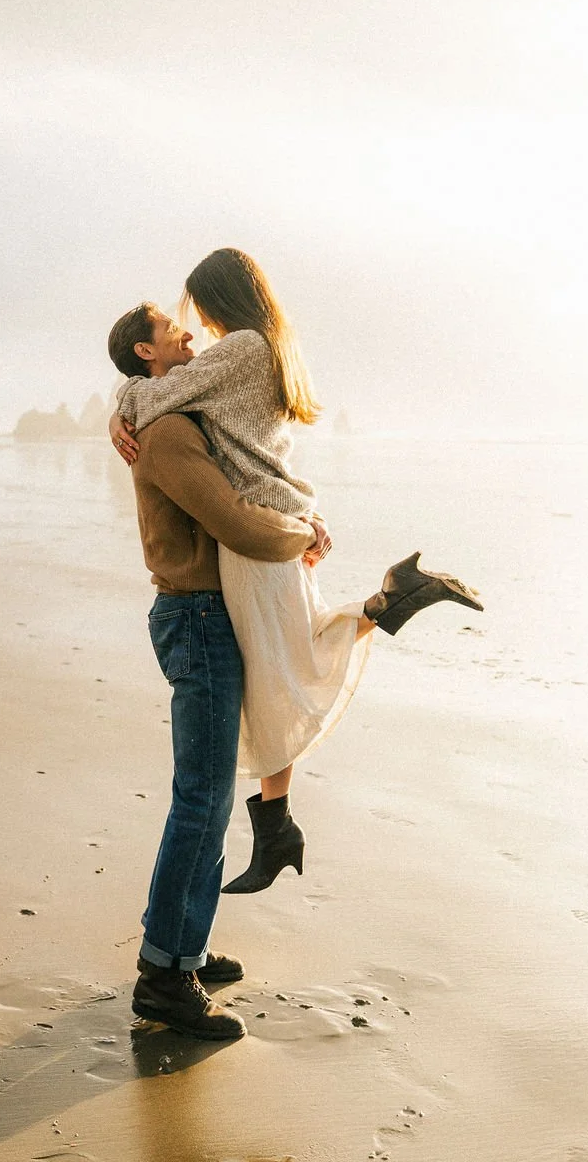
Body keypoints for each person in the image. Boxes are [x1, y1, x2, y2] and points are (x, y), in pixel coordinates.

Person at [110, 248, 483, 896]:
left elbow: (156, 400)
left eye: (194, 310)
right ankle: (276, 821)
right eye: (178, 324)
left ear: (218, 298)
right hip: (286, 519)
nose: (191, 326)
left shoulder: (239, 349)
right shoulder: (268, 346)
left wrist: (122, 403)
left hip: (263, 536)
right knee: (284, 663)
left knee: (287, 669)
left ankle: (277, 824)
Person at [106, 301, 331, 1041]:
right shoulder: (168, 433)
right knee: (200, 798)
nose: (190, 334)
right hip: (197, 618)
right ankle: (165, 977)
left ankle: (185, 947)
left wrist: (300, 525)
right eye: (174, 331)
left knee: (205, 793)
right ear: (146, 353)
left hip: (206, 616)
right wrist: (300, 532)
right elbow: (233, 519)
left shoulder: (170, 415)